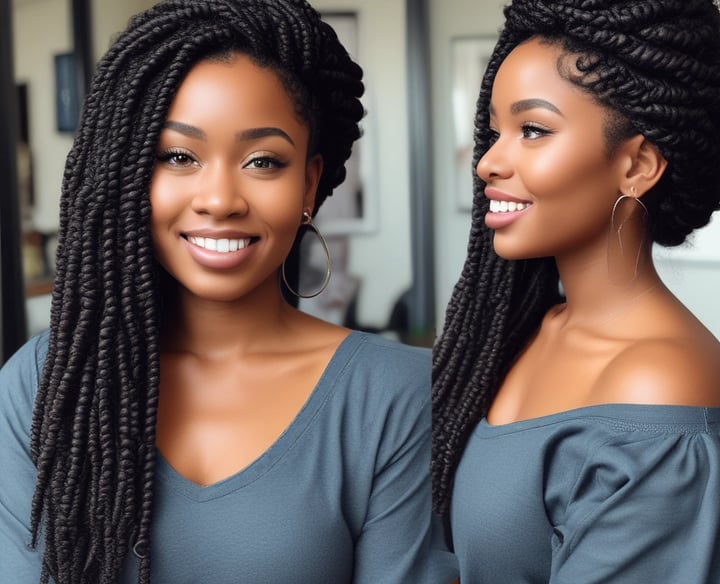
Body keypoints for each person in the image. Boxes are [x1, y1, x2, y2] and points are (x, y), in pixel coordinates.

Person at [0, 1, 434, 582]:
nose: (220, 198)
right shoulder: (42, 383)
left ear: (309, 181)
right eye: (179, 156)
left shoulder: (394, 398)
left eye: (263, 160)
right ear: (129, 174)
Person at [432, 0, 720, 582]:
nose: (488, 160)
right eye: (494, 130)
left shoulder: (658, 387)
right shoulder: (528, 328)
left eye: (533, 130)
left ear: (637, 165)